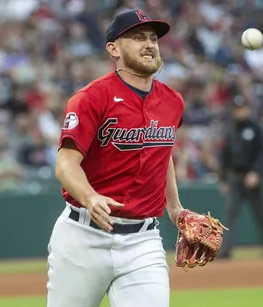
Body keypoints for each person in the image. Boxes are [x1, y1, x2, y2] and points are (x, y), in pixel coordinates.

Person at [47, 9, 185, 307]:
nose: (149, 44)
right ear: (114, 49)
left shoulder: (173, 101)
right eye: (138, 38)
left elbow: (163, 154)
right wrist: (90, 197)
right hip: (83, 237)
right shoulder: (91, 98)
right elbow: (65, 163)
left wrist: (175, 209)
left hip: (143, 241)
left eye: (153, 38)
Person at [218, 96, 263, 259]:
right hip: (235, 177)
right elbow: (225, 156)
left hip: (252, 178)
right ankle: (226, 250)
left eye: (242, 108)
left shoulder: (256, 128)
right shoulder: (230, 130)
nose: (240, 112)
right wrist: (222, 179)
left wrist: (257, 172)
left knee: (260, 214)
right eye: (237, 109)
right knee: (230, 215)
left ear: (248, 109)